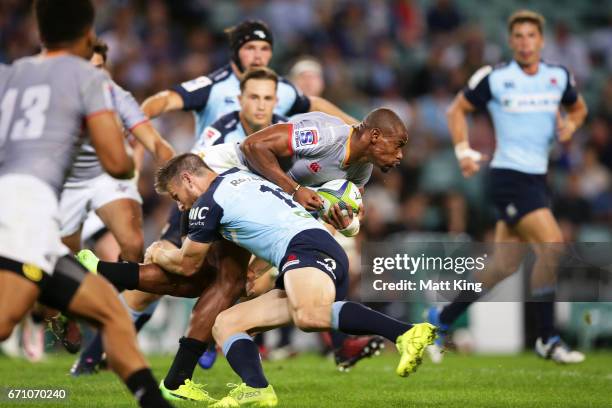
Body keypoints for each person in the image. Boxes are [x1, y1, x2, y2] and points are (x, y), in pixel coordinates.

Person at [78, 107, 413, 401]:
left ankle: (181, 373)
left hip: (262, 199)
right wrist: (294, 189)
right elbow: (254, 146)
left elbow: (328, 212)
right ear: (373, 135)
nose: (400, 157)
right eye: (398, 146)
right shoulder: (326, 135)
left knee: (232, 283)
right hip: (220, 176)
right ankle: (163, 361)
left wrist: (338, 218)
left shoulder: (361, 172)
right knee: (198, 275)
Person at [148, 153, 437, 407]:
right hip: (307, 246)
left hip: (306, 247)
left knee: (309, 315)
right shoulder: (242, 176)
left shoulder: (209, 201)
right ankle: (256, 388)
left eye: (176, 197)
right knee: (227, 323)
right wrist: (255, 270)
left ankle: (405, 332)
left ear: (187, 179)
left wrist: (159, 251)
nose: (181, 207)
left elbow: (188, 264)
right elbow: (275, 220)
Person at [0, 1, 172, 406]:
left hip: (25, 208)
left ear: (40, 34)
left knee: (111, 315)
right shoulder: (89, 79)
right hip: (29, 210)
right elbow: (115, 162)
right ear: (88, 34)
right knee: (5, 321)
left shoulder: (12, 74)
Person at [428, 9, 588, 363]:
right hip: (508, 176)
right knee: (553, 246)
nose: (524, 42)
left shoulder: (557, 76)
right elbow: (457, 110)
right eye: (518, 36)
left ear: (541, 41)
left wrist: (571, 127)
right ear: (510, 41)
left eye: (531, 36)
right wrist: (463, 149)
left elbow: (578, 110)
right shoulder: (497, 77)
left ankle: (438, 321)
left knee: (502, 266)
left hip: (537, 178)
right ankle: (547, 338)